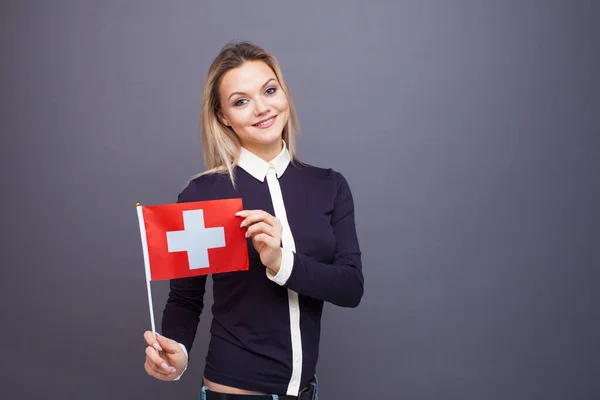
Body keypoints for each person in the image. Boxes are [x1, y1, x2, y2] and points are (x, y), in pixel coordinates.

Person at [142, 41, 364, 400]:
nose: (262, 108)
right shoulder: (202, 194)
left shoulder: (329, 186)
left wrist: (281, 262)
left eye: (269, 90)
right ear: (223, 116)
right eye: (241, 101)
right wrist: (176, 355)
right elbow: (185, 301)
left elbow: (350, 287)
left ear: (284, 93)